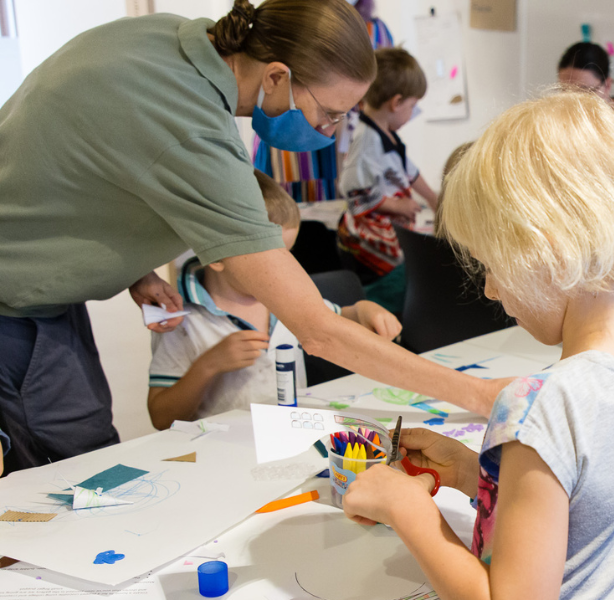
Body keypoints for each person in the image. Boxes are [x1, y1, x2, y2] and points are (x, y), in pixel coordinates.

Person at [0, 0, 501, 472]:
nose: (328, 133)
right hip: (14, 305)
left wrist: (135, 267)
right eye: (327, 113)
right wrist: (478, 395)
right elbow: (318, 330)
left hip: (44, 295)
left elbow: (83, 169)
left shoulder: (159, 37)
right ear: (277, 76)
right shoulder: (193, 128)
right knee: (74, 479)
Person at [340, 89, 614, 600]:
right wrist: (473, 473)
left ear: (546, 251)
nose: (488, 288)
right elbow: (593, 513)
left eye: (491, 263)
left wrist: (408, 510)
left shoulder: (540, 407)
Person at [146, 172, 401, 431]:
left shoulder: (287, 296)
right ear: (217, 255)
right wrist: (208, 366)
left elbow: (337, 318)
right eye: (270, 260)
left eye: (287, 255)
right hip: (223, 452)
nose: (283, 271)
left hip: (292, 438)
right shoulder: (180, 319)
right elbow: (161, 417)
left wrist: (362, 310)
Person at [253, 0, 395, 202]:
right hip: (291, 133)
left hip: (348, 139)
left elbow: (384, 93)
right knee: (282, 208)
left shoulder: (376, 31)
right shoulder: (296, 16)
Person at [338, 47, 438, 316]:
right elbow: (351, 187)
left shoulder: (386, 134)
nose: (412, 112)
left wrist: (432, 197)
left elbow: (409, 170)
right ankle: (382, 328)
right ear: (396, 103)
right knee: (390, 289)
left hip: (389, 230)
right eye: (412, 106)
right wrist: (395, 205)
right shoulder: (365, 139)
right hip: (369, 239)